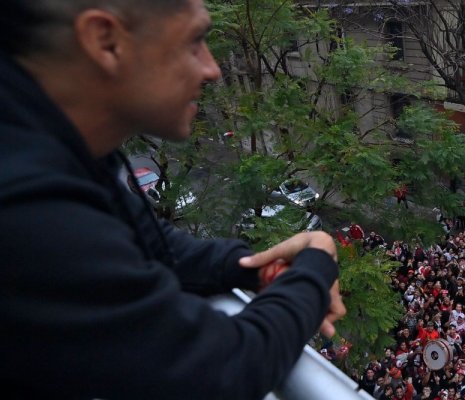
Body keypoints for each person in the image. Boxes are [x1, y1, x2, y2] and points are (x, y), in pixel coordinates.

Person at [0, 1, 346, 398]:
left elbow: (154, 243)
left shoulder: (50, 145)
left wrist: (258, 269)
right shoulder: (27, 205)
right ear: (105, 41)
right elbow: (227, 368)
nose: (212, 69)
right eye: (195, 41)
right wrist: (316, 263)